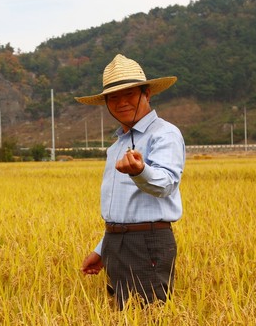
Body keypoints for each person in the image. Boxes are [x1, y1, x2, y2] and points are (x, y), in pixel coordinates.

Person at [75, 54, 185, 309]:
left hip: (147, 242)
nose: (121, 102)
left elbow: (166, 183)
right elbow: (123, 208)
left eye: (130, 94)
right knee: (121, 313)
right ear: (105, 103)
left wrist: (140, 171)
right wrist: (103, 249)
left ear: (147, 94)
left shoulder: (164, 134)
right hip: (116, 242)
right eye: (113, 97)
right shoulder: (117, 146)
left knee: (148, 315)